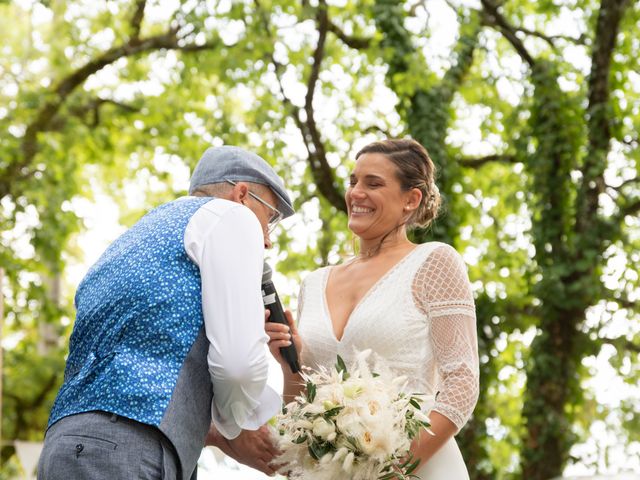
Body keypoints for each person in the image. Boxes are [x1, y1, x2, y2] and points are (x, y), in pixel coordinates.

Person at [37, 146, 294, 480]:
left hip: (64, 444)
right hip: (130, 450)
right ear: (242, 195)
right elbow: (237, 364)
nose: (268, 241)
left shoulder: (134, 238)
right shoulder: (231, 215)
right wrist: (238, 422)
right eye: (270, 217)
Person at [266, 138, 479, 478]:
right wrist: (289, 364)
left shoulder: (434, 262)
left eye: (373, 183)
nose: (356, 193)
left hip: (418, 465)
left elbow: (463, 383)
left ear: (411, 199)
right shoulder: (314, 283)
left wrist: (393, 467)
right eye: (353, 181)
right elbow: (298, 407)